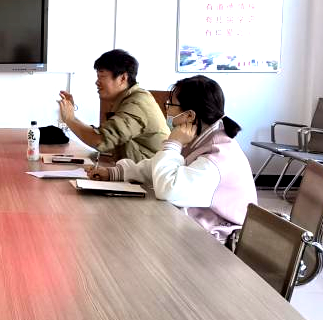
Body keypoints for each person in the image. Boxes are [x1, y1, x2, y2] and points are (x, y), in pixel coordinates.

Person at [86, 75, 257, 242]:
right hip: (191, 226)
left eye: (170, 104)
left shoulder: (216, 156)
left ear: (189, 116)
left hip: (214, 242)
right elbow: (156, 167)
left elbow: (168, 190)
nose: (167, 110)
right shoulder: (201, 137)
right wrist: (115, 173)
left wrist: (173, 143)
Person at [58, 49, 168, 162]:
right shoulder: (128, 99)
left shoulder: (137, 104)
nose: (97, 82)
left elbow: (100, 141)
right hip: (135, 169)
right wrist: (71, 117)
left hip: (150, 172)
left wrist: (70, 119)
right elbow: (105, 138)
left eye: (102, 76)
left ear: (122, 78)